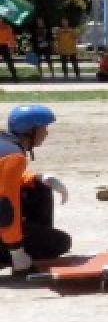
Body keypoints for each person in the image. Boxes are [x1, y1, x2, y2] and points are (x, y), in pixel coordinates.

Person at [0, 105, 70, 274]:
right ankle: (17, 254)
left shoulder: (5, 144)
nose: (46, 133)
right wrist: (17, 251)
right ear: (30, 131)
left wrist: (36, 178)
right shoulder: (13, 156)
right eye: (43, 128)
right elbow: (5, 206)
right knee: (60, 242)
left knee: (39, 187)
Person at [0, 18, 17, 82]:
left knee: (9, 62)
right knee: (9, 61)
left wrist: (12, 47)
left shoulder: (7, 27)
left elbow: (11, 38)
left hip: (4, 46)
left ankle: (14, 76)